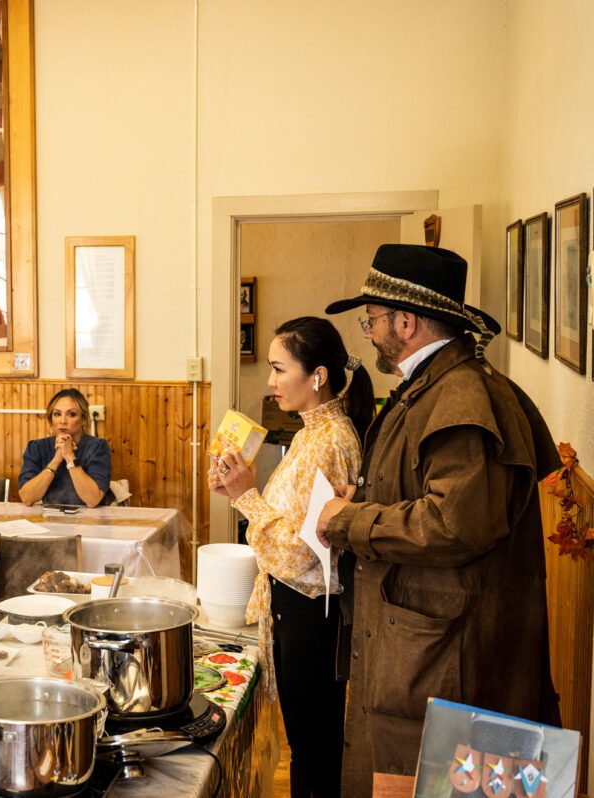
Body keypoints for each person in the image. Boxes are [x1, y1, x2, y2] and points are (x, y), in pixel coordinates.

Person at [315, 244, 561, 795]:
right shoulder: (439, 385)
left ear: (406, 320)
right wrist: (366, 497)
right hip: (431, 654)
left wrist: (350, 520)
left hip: (444, 664)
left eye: (372, 320)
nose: (368, 333)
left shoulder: (461, 394)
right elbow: (434, 490)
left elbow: (454, 523)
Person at [208, 317, 372, 798]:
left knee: (314, 748)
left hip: (309, 609)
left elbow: (301, 550)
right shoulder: (309, 433)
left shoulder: (329, 440)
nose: (270, 382)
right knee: (310, 744)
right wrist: (240, 492)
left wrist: (246, 496)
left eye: (279, 370)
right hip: (297, 607)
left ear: (317, 375)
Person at [17, 388, 112, 507]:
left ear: (83, 419)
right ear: (51, 419)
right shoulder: (36, 447)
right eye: (57, 414)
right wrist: (56, 460)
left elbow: (92, 500)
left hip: (90, 520)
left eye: (71, 414)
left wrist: (69, 456)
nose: (63, 421)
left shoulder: (98, 447)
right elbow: (27, 498)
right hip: (50, 518)